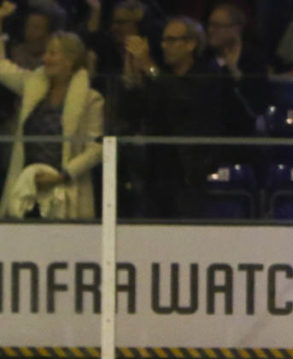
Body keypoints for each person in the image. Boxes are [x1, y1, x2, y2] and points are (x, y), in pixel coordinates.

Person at [0, 4, 104, 219]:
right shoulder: (32, 85)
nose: (46, 59)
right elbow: (1, 67)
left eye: (53, 53)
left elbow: (97, 149)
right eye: (46, 52)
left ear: (71, 59)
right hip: (28, 189)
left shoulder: (91, 99)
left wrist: (62, 175)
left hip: (65, 190)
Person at [118, 15, 226, 217]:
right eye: (163, 40)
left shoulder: (207, 73)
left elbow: (184, 98)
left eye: (171, 40)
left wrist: (149, 66)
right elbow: (133, 113)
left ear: (191, 44)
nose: (164, 46)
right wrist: (132, 78)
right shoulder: (162, 76)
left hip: (190, 173)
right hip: (156, 171)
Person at [205, 1, 268, 136]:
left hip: (242, 134)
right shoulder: (204, 57)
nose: (210, 30)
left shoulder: (253, 60)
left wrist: (235, 72)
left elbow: (258, 105)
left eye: (217, 26)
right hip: (208, 132)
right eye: (210, 24)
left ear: (236, 28)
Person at [7, 0, 64, 70]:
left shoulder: (58, 63)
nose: (29, 32)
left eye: (36, 27)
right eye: (28, 26)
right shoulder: (13, 54)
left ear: (50, 35)